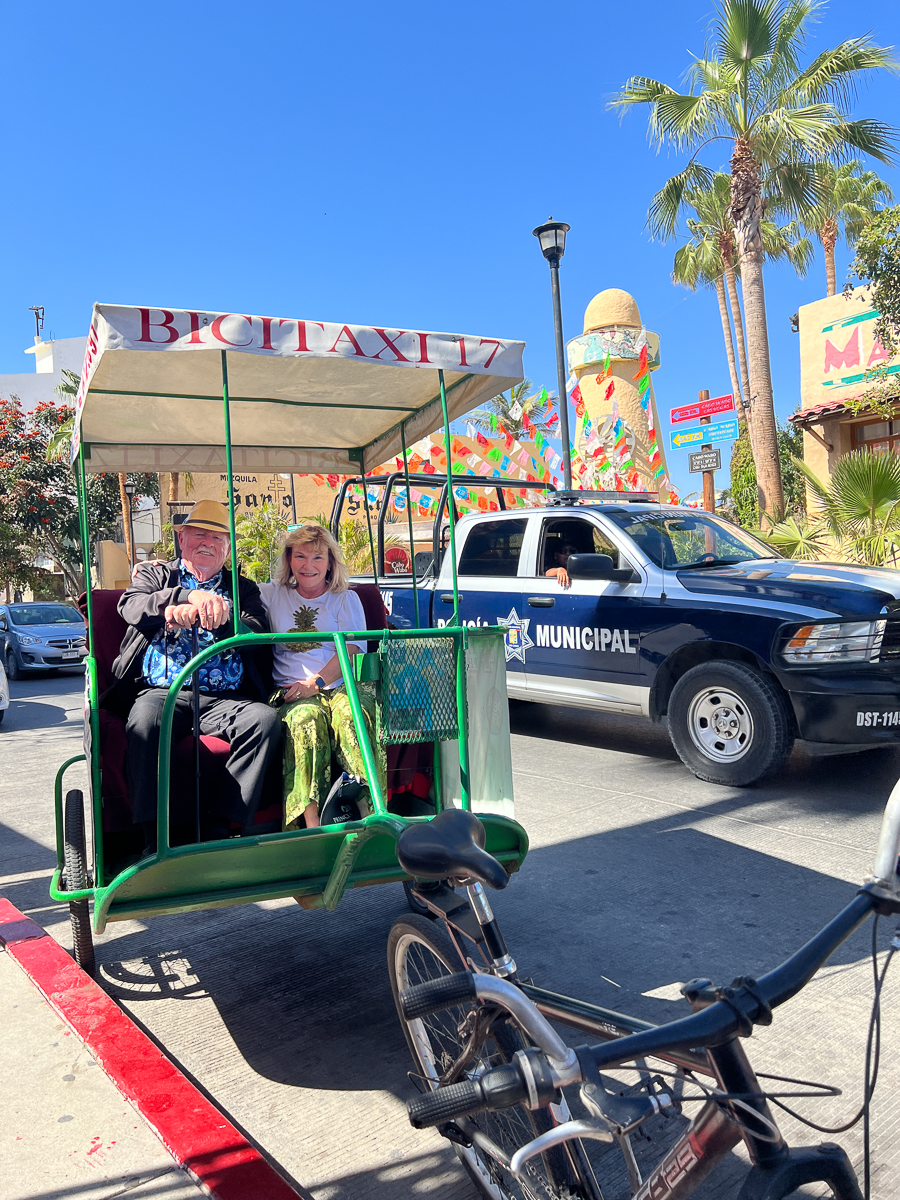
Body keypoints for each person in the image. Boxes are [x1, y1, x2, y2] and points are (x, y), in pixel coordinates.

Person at [107, 500, 281, 849]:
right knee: (145, 724)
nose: (207, 543)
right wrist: (182, 598)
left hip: (224, 697)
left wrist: (224, 617)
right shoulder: (157, 575)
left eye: (217, 538)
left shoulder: (241, 587)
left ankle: (221, 827)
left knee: (264, 720)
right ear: (182, 539)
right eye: (199, 534)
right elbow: (130, 605)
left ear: (227, 547)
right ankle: (154, 837)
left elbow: (258, 632)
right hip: (162, 690)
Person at [258, 524, 386, 829]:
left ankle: (371, 813)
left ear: (330, 562)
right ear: (289, 560)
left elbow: (353, 649)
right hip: (291, 690)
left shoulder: (345, 599)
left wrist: (314, 683)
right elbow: (229, 590)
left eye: (317, 558)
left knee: (352, 716)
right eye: (300, 556)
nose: (308, 566)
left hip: (339, 685)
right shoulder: (272, 595)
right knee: (305, 720)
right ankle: (312, 824)